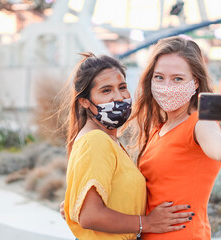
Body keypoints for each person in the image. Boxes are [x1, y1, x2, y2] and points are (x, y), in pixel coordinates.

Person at [130, 36, 221, 240]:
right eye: (159, 77)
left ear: (195, 83)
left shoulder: (200, 123)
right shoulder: (159, 128)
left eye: (177, 79)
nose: (167, 86)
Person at [62, 52, 194, 240]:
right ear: (85, 102)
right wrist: (147, 222)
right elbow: (90, 216)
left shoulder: (108, 140)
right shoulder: (95, 140)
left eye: (122, 87)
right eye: (106, 90)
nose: (118, 97)